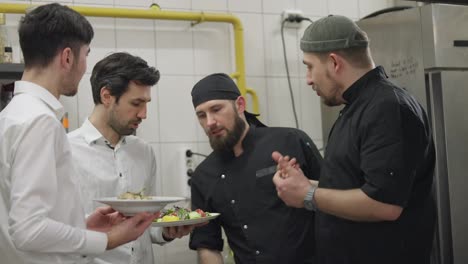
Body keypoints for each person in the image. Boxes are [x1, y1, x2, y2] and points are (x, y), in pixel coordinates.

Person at [272, 15, 436, 264]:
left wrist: (307, 195)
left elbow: (383, 204)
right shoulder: (357, 107)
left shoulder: (387, 107)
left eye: (309, 66)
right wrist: (304, 184)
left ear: (334, 62)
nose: (308, 79)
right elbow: (355, 184)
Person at [0, 4, 156, 264]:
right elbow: (28, 230)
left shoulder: (11, 115)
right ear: (68, 58)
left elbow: (18, 220)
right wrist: (108, 239)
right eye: (86, 55)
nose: (86, 67)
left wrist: (82, 227)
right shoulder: (41, 121)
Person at [68, 52, 195, 264]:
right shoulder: (66, 150)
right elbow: (56, 234)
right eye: (136, 103)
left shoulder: (143, 152)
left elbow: (147, 225)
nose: (144, 114)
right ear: (107, 96)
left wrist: (166, 231)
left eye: (146, 103)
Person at [188, 73, 323, 264]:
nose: (210, 122)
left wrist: (308, 188)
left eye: (216, 109)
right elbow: (207, 245)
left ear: (240, 105)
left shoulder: (290, 141)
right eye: (202, 115)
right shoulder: (203, 176)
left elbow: (334, 195)